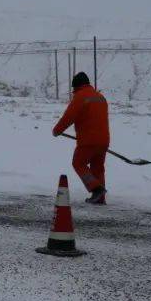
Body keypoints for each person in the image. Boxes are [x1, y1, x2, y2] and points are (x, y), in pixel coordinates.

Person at [53, 72, 110, 204]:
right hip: (104, 140)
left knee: (78, 163)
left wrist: (57, 130)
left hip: (88, 140)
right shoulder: (100, 97)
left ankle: (96, 189)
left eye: (74, 89)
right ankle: (99, 198)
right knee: (98, 168)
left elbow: (68, 117)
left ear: (77, 86)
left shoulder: (80, 97)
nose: (73, 91)